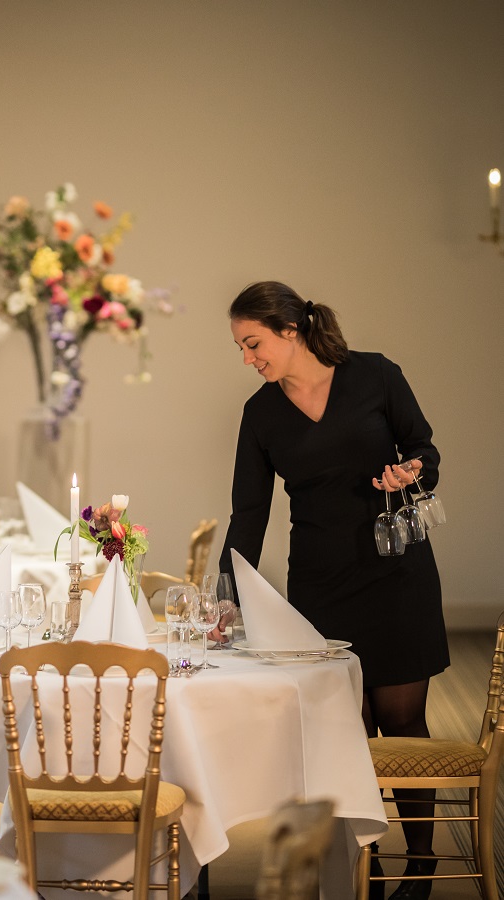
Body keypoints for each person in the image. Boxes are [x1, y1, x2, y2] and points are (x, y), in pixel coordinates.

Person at [218, 281, 448, 900]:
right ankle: (356, 873)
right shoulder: (260, 413)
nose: (248, 358)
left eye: (253, 342)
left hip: (396, 574)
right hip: (320, 585)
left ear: (289, 330)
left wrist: (413, 469)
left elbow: (424, 445)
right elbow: (249, 513)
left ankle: (420, 864)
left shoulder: (375, 375)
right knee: (343, 729)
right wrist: (226, 594)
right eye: (242, 347)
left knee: (402, 724)